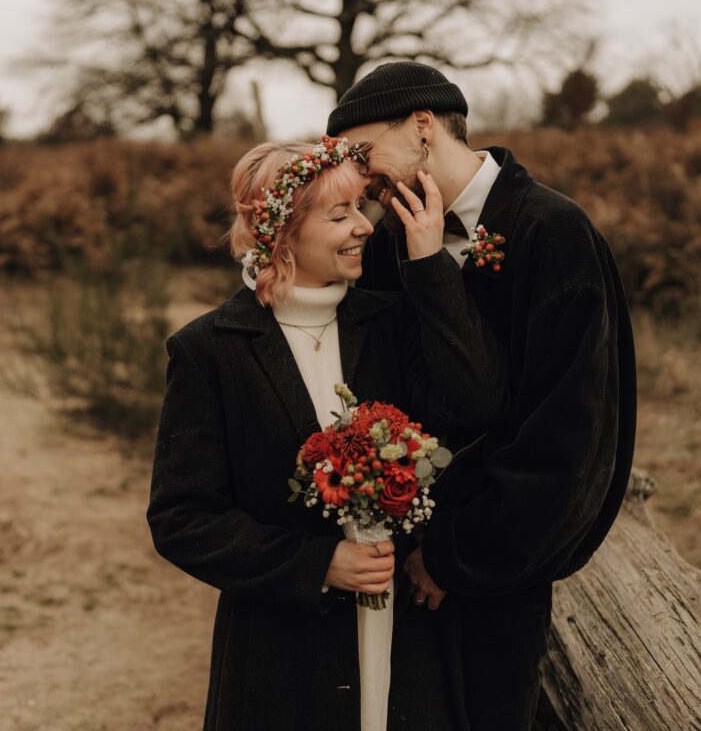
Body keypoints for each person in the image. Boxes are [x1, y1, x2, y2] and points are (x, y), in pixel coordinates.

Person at [146, 136, 505, 730]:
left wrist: (430, 266)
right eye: (339, 215)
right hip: (283, 656)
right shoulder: (211, 351)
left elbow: (475, 403)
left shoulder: (389, 323)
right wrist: (317, 564)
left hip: (408, 635)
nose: (364, 226)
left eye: (361, 208)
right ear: (281, 233)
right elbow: (182, 518)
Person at [327, 61, 638, 730]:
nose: (359, 176)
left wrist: (454, 559)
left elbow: (571, 439)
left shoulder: (552, 234)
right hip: (395, 559)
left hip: (497, 569)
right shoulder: (383, 245)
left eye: (362, 153)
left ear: (421, 127)